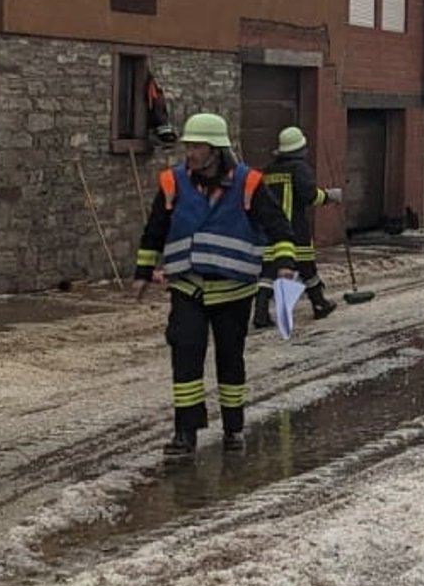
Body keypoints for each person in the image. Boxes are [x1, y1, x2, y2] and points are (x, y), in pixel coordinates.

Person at [134, 113, 296, 457]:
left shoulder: (249, 183)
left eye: (197, 146)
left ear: (216, 149)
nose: (189, 152)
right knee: (186, 355)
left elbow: (278, 226)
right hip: (188, 288)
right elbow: (155, 230)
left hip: (234, 292)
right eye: (188, 145)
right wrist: (143, 272)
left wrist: (284, 265)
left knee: (230, 359)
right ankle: (185, 434)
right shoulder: (172, 183)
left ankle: (233, 428)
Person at [252, 126, 339, 329]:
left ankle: (261, 313)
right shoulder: (300, 168)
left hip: (270, 230)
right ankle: (319, 303)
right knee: (307, 267)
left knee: (268, 271)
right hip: (293, 229)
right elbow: (309, 195)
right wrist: (329, 196)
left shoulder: (269, 170)